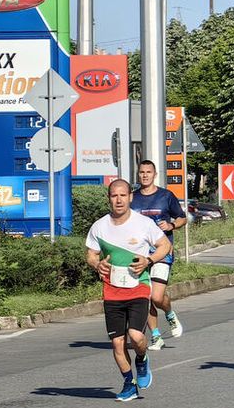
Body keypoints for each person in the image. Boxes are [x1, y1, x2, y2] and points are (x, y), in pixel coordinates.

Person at [85, 179, 172, 402]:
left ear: (130, 197)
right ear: (109, 199)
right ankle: (129, 384)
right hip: (111, 291)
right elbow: (91, 255)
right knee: (117, 342)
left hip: (138, 288)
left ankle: (141, 359)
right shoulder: (99, 226)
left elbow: (165, 246)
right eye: (114, 196)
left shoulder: (143, 223)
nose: (119, 200)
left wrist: (149, 260)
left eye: (123, 195)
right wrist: (97, 264)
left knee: (135, 337)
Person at [131, 160, 187, 351]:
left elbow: (182, 217)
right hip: (139, 254)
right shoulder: (133, 198)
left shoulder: (166, 196)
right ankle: (155, 336)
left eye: (148, 172)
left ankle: (170, 313)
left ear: (155, 175)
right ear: (138, 175)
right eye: (141, 172)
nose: (145, 175)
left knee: (156, 296)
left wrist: (171, 225)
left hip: (162, 252)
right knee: (145, 297)